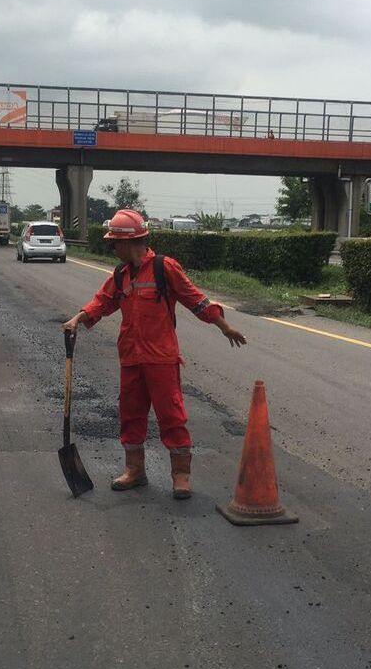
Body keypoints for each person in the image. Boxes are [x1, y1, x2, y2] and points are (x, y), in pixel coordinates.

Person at [62, 209, 247, 500]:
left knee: (171, 416)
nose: (112, 249)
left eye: (115, 244)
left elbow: (195, 300)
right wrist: (78, 318)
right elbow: (103, 302)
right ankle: (135, 471)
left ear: (130, 242)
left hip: (161, 358)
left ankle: (181, 476)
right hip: (131, 359)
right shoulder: (121, 274)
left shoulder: (164, 268)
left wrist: (224, 326)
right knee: (130, 416)